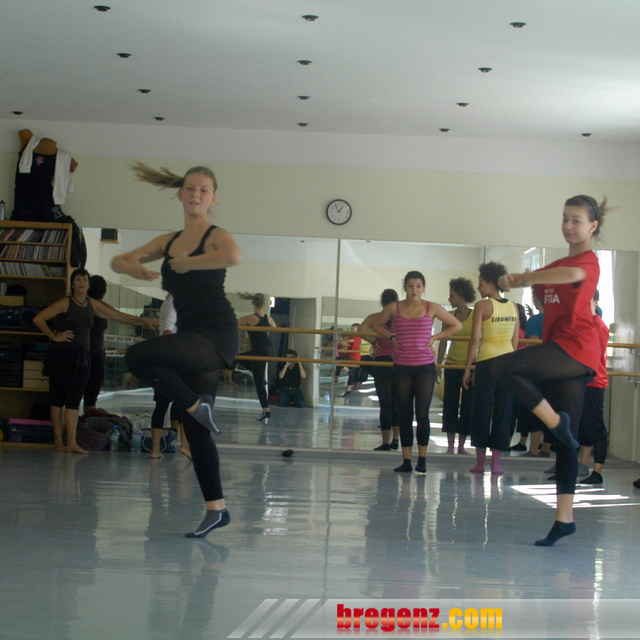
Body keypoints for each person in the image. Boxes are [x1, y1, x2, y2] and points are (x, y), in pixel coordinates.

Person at [112, 162, 242, 538]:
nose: (196, 194)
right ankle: (217, 510)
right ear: (181, 194)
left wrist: (189, 263)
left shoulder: (216, 236)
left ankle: (193, 405)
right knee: (197, 432)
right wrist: (132, 268)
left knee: (137, 356)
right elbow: (119, 260)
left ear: (212, 198)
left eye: (204, 190)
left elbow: (233, 256)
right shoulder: (168, 241)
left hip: (216, 334)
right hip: (191, 335)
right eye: (191, 188)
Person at [490, 194, 608, 546]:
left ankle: (554, 421)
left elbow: (570, 275)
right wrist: (512, 281)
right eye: (564, 219)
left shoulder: (588, 262)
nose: (568, 226)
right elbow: (544, 287)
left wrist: (524, 276)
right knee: (567, 442)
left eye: (576, 220)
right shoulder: (557, 264)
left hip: (576, 348)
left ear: (593, 226)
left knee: (502, 368)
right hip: (561, 350)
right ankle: (564, 519)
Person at [33, 268, 156, 454]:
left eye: (84, 279)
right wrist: (54, 336)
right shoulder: (65, 302)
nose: (81, 282)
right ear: (72, 284)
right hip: (62, 355)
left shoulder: (92, 304)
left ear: (88, 284)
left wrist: (143, 320)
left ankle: (72, 442)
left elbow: (117, 315)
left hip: (82, 356)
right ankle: (58, 441)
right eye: (78, 279)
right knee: (58, 399)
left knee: (74, 400)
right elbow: (39, 319)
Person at [373, 271, 461, 473]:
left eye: (418, 286)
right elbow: (376, 324)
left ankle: (422, 459)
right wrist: (390, 336)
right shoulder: (394, 308)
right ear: (405, 287)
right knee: (405, 413)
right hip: (402, 367)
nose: (414, 290)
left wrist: (435, 337)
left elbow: (456, 325)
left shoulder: (432, 307)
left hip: (425, 368)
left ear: (423, 288)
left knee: (422, 413)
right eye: (411, 286)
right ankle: (406, 460)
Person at [463, 262, 519, 475]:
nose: (478, 288)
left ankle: (480, 463)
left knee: (482, 411)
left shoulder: (482, 306)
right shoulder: (513, 306)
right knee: (503, 412)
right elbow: (515, 341)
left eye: (481, 284)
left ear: (491, 283)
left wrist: (468, 368)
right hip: (507, 364)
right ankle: (496, 464)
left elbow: (475, 339)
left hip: (487, 363)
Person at [149, 289, 191, 460]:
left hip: (165, 359)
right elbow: (168, 331)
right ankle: (184, 445)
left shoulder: (170, 300)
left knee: (164, 404)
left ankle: (158, 448)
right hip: (170, 360)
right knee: (180, 402)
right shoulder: (174, 301)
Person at [437, 277, 476, 455]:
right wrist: (439, 365)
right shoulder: (449, 316)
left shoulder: (475, 315)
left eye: (452, 295)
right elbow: (443, 341)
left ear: (461, 295)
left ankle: (461, 445)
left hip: (471, 365)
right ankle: (451, 445)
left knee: (468, 405)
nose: (449, 299)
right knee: (450, 404)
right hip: (452, 365)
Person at [358, 289, 400, 451]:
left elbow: (360, 330)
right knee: (397, 403)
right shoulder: (401, 318)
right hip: (398, 361)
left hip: (382, 362)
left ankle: (386, 442)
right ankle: (396, 439)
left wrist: (374, 342)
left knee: (385, 403)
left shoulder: (375, 317)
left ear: (382, 302)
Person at [577, 294, 610, 484]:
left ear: (595, 302)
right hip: (582, 381)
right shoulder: (582, 323)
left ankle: (597, 472)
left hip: (594, 382)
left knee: (595, 428)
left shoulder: (598, 325)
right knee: (582, 427)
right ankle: (578, 465)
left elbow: (592, 354)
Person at [237, 292, 277, 421]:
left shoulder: (250, 318)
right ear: (264, 304)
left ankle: (266, 410)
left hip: (259, 351)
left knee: (258, 380)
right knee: (253, 369)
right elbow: (275, 327)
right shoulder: (268, 318)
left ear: (253, 303)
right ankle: (265, 409)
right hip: (268, 349)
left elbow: (234, 324)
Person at [339, 323, 362, 397]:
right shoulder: (351, 337)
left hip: (354, 358)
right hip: (350, 357)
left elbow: (351, 340)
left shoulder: (357, 338)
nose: (351, 331)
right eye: (351, 329)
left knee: (337, 361)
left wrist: (341, 340)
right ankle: (348, 390)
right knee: (351, 374)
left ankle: (349, 373)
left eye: (353, 329)